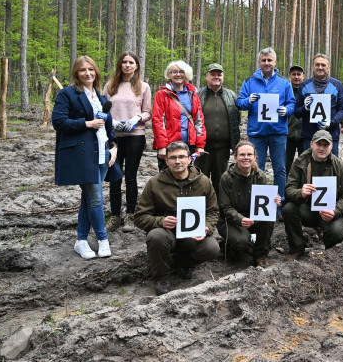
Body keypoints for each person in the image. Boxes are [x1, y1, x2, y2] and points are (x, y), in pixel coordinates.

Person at [53, 55, 121, 260]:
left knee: (89, 198)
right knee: (96, 200)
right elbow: (58, 121)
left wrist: (114, 146)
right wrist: (86, 123)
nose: (87, 73)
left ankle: (81, 241)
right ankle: (103, 239)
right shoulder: (68, 94)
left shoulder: (100, 97)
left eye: (91, 69)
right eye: (83, 70)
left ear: (96, 72)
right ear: (76, 73)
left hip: (102, 154)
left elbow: (108, 127)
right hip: (81, 156)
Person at [133, 141, 220, 295]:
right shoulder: (155, 183)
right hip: (167, 233)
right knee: (155, 237)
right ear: (166, 160)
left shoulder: (203, 181)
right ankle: (161, 275)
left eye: (181, 157)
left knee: (212, 248)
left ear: (189, 159)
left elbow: (213, 211)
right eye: (173, 158)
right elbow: (140, 217)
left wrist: (207, 227)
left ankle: (182, 263)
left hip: (191, 234)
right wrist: (161, 221)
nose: (177, 161)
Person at [283, 130, 343, 259]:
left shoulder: (339, 165)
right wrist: (301, 192)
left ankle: (329, 253)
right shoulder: (300, 162)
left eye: (325, 145)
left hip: (331, 211)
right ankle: (297, 248)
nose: (321, 148)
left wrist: (335, 211)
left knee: (337, 233)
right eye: (318, 144)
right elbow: (288, 190)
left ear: (331, 146)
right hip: (308, 209)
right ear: (311, 144)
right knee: (289, 209)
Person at [236, 48, 296, 198]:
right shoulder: (249, 81)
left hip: (278, 132)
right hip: (257, 132)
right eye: (264, 60)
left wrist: (286, 110)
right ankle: (258, 203)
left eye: (269, 60)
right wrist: (248, 102)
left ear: (275, 62)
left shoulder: (284, 83)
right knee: (257, 168)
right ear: (259, 62)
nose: (267, 63)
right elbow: (239, 102)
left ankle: (279, 202)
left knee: (280, 169)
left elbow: (292, 104)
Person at [103, 51, 152, 233]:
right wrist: (112, 122)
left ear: (137, 66)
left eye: (131, 62)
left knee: (130, 176)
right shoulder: (110, 86)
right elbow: (103, 109)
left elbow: (148, 112)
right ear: (120, 65)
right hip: (114, 137)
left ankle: (130, 215)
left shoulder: (143, 87)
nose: (128, 65)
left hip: (135, 136)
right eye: (124, 62)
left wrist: (136, 119)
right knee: (115, 177)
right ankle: (115, 216)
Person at [217, 141, 281, 268]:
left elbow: (263, 202)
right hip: (230, 221)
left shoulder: (260, 176)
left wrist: (273, 201)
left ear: (255, 157)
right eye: (242, 154)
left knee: (268, 221)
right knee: (242, 242)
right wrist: (240, 219)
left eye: (249, 154)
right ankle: (229, 245)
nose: (246, 157)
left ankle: (260, 254)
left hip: (252, 218)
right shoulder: (226, 178)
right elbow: (225, 207)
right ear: (235, 157)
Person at [152, 61, 206, 171]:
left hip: (189, 145)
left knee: (188, 176)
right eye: (174, 72)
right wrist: (162, 146)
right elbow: (158, 121)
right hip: (169, 145)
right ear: (168, 74)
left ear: (186, 74)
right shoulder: (162, 94)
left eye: (181, 72)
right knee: (167, 179)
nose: (178, 74)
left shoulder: (193, 94)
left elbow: (199, 121)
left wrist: (200, 145)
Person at [196, 63, 241, 195]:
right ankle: (201, 209)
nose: (216, 77)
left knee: (220, 180)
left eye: (219, 74)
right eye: (213, 74)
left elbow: (236, 120)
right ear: (206, 76)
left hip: (223, 148)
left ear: (223, 76)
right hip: (202, 148)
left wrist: (235, 144)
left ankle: (219, 210)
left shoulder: (231, 95)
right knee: (200, 180)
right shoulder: (197, 95)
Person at [295, 53, 343, 155]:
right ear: (312, 67)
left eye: (323, 65)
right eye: (317, 65)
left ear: (328, 67)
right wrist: (305, 108)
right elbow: (297, 112)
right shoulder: (304, 85)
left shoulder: (337, 85)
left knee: (331, 168)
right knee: (309, 167)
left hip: (331, 135)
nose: (320, 67)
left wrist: (331, 122)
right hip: (309, 136)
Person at [286, 65, 305, 172]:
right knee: (286, 164)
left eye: (299, 74)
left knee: (304, 165)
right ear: (290, 76)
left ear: (303, 76)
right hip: (288, 134)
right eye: (294, 74)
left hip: (304, 134)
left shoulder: (307, 91)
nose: (296, 77)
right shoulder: (285, 91)